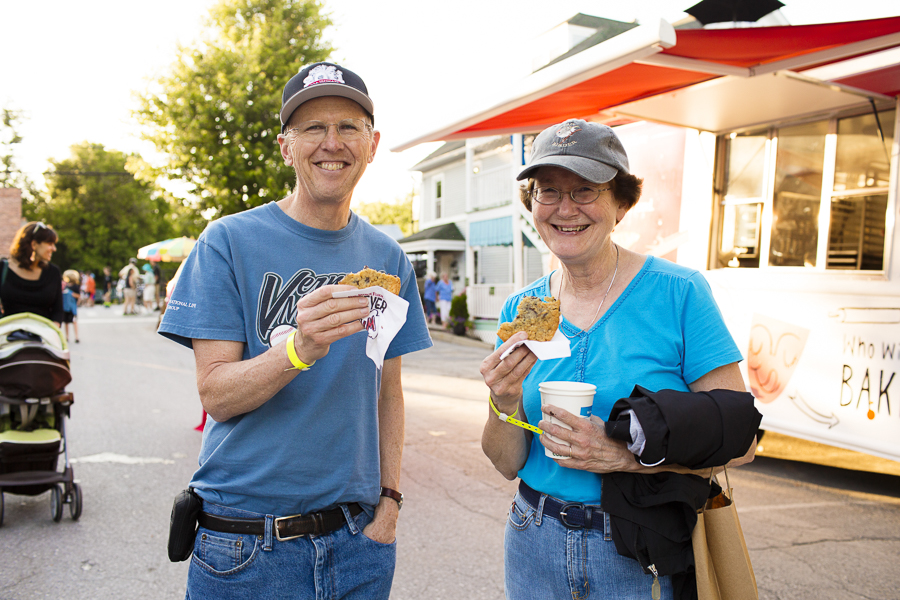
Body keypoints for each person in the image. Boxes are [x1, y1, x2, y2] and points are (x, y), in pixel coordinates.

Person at [158, 61, 432, 599]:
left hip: (358, 545)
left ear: (372, 144)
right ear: (287, 147)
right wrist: (299, 350)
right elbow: (216, 394)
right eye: (313, 128)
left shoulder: (389, 258)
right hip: (246, 545)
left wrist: (390, 502)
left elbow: (389, 391)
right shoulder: (227, 243)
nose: (332, 142)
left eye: (348, 127)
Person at [479, 119, 755, 600]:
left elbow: (742, 439)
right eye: (548, 192)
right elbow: (506, 462)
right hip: (533, 535)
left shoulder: (679, 292)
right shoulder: (521, 309)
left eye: (585, 191)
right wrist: (501, 398)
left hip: (639, 543)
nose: (565, 209)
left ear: (621, 203)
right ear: (533, 205)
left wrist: (626, 457)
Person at [0, 222, 64, 326]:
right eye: (50, 244)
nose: (54, 249)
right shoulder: (3, 268)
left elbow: (58, 312)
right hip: (8, 336)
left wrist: (51, 333)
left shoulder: (53, 272)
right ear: (34, 244)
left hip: (43, 337)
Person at [61, 269, 81, 343]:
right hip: (65, 306)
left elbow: (78, 295)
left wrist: (70, 293)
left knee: (74, 321)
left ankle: (76, 336)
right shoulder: (65, 285)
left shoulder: (75, 286)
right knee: (66, 322)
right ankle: (67, 336)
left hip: (72, 307)